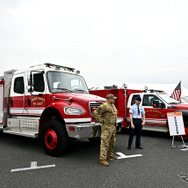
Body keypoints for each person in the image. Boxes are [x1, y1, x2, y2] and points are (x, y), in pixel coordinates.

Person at [94, 94, 118, 167]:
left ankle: (109, 155)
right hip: (107, 127)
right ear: (109, 99)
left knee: (112, 141)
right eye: (113, 99)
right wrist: (101, 120)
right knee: (105, 142)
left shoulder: (112, 105)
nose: (114, 100)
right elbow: (96, 112)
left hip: (112, 127)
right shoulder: (104, 105)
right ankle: (102, 159)